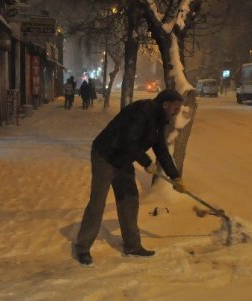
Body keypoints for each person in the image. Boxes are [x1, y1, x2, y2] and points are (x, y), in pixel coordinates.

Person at [74, 89, 187, 265]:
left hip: (124, 159)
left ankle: (132, 246)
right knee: (97, 203)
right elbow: (127, 141)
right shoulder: (140, 112)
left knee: (129, 200)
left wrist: (175, 177)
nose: (177, 112)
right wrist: (146, 162)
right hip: (105, 155)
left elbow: (161, 149)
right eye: (176, 108)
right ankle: (82, 248)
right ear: (166, 104)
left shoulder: (159, 120)